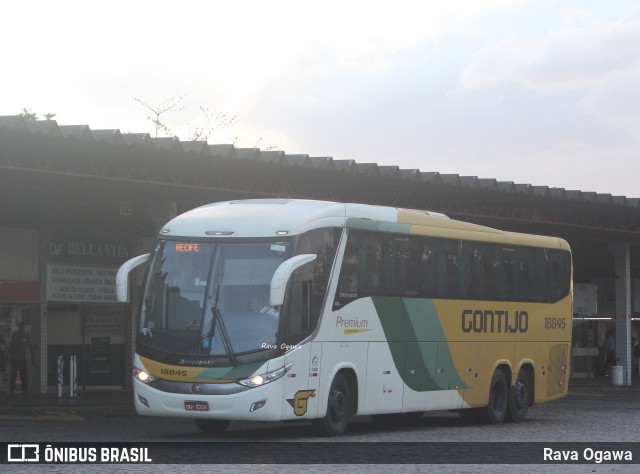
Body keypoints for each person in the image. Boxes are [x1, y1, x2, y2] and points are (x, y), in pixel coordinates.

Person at [8, 322, 33, 394]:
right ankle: (11, 390)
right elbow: (11, 345)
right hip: (14, 357)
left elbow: (31, 347)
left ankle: (25, 389)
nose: (21, 328)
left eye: (22, 327)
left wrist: (33, 358)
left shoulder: (26, 336)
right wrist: (7, 355)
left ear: (24, 327)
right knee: (13, 374)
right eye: (20, 327)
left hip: (22, 358)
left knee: (24, 374)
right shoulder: (15, 335)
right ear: (19, 327)